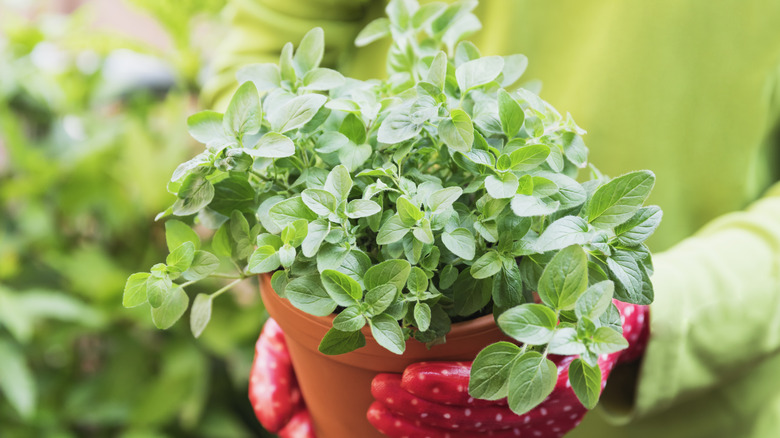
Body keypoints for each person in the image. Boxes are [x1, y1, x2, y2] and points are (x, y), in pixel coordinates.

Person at [204, 1, 780, 437]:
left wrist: (641, 318)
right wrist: (299, 254)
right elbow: (269, 35)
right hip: (380, 205)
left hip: (691, 406)